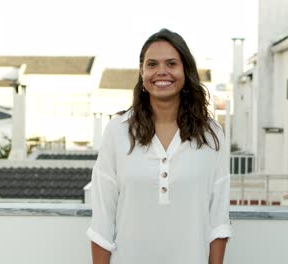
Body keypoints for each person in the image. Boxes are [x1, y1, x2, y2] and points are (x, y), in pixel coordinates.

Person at [86, 28, 232, 264]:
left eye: (171, 63)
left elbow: (218, 222)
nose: (161, 71)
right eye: (152, 64)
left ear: (185, 71)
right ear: (142, 72)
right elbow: (102, 222)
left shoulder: (212, 135)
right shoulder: (117, 130)